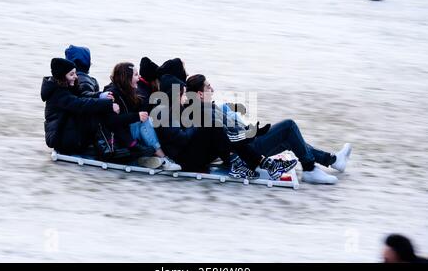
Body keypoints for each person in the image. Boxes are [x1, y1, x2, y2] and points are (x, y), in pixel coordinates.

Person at [185, 74, 353, 185]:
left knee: (289, 136)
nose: (212, 89)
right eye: (208, 87)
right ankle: (310, 169)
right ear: (200, 94)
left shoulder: (208, 108)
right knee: (289, 126)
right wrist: (254, 132)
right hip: (244, 151)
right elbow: (229, 139)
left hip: (245, 144)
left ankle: (331, 160)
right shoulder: (203, 112)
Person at [153, 75, 297, 179]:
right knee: (212, 127)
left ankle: (264, 163)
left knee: (217, 128)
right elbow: (182, 139)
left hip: (194, 153)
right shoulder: (165, 114)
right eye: (183, 94)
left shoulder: (179, 110)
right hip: (184, 162)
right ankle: (254, 161)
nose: (186, 98)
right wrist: (197, 125)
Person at [41, 58, 135, 155]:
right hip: (59, 138)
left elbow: (82, 95)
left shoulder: (65, 87)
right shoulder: (58, 94)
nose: (76, 77)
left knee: (95, 108)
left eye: (75, 73)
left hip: (65, 131)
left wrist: (100, 95)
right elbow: (79, 104)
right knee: (93, 111)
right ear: (62, 76)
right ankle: (107, 147)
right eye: (71, 74)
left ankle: (111, 143)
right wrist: (108, 105)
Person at [103, 62, 181, 171]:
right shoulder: (112, 95)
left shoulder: (129, 92)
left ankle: (148, 157)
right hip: (117, 139)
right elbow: (112, 121)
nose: (139, 77)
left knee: (149, 118)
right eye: (136, 75)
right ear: (126, 77)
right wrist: (137, 117)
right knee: (145, 120)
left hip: (127, 135)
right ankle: (163, 158)